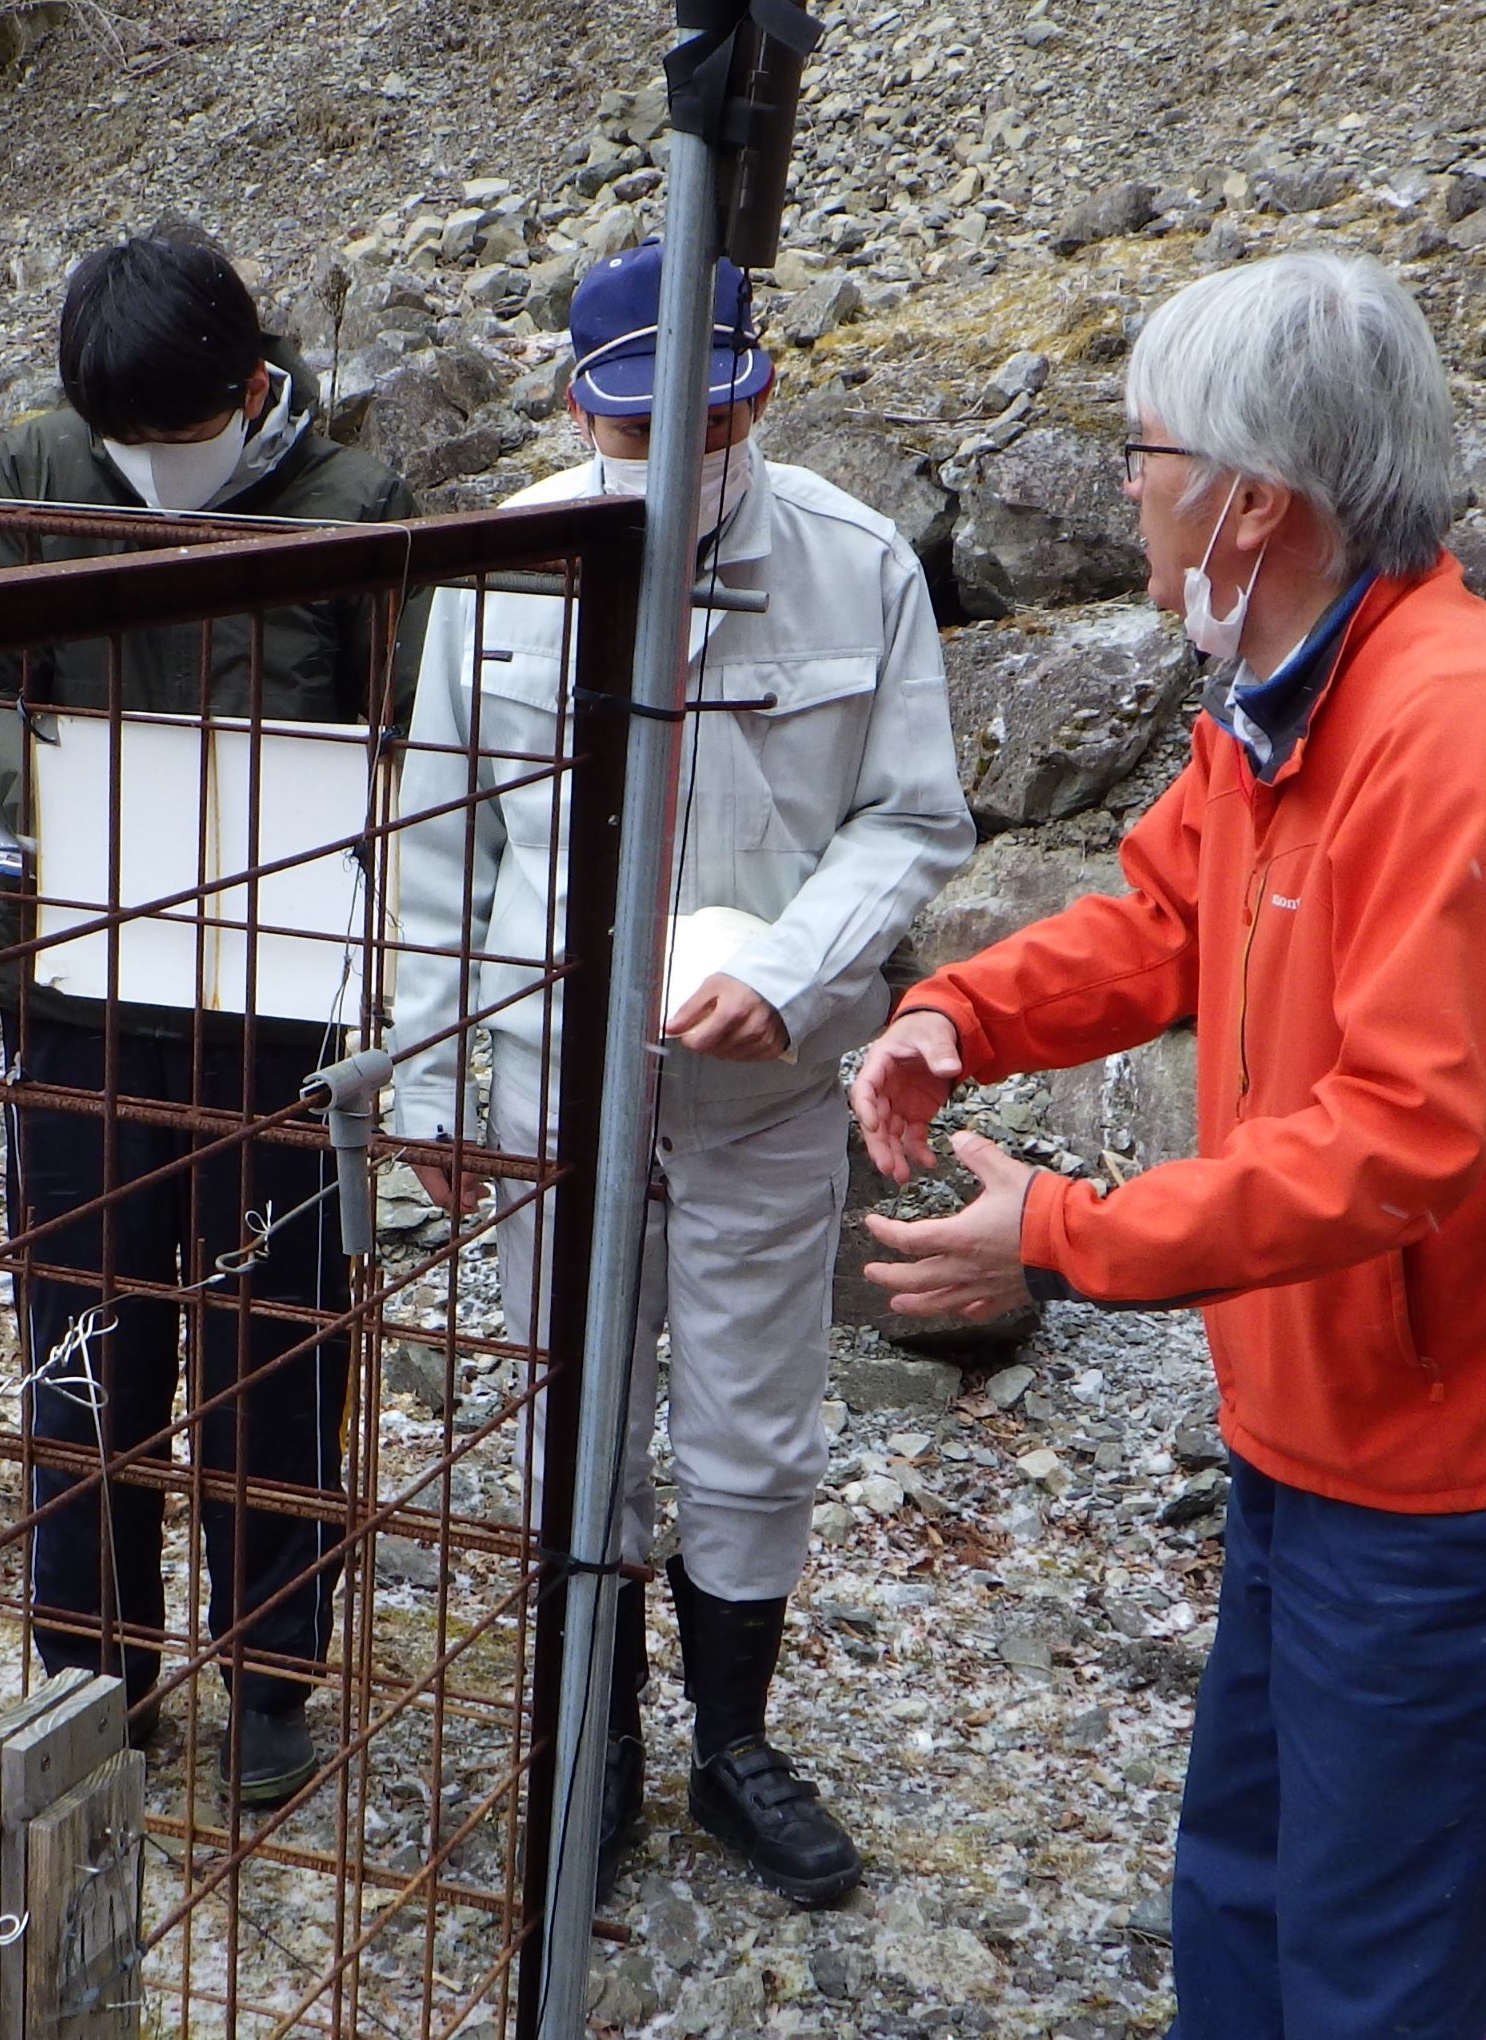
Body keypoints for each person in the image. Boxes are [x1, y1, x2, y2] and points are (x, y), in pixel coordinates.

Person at [852, 251, 1486, 2034]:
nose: (1124, 482)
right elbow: (1160, 917)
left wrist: (1063, 1233)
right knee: (1241, 1892)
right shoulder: (1291, 687)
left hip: (1463, 1471)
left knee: (1368, 1969)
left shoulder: (1456, 724)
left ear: (1250, 500)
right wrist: (954, 1013)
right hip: (1312, 1426)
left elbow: (1397, 1140)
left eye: (1142, 447)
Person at [389, 242, 972, 1907]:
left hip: (764, 1082)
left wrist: (788, 973)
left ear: (759, 391)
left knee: (751, 1417)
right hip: (544, 1077)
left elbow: (915, 813)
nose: (673, 456)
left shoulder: (856, 565)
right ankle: (597, 1740)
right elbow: (437, 842)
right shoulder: (496, 572)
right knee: (567, 1409)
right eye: (636, 426)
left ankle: (731, 1743)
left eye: (707, 417)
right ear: (579, 405)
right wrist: (428, 1082)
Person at [0, 232, 422, 1809]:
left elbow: (407, 748)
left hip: (273, 1019)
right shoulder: (30, 470)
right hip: (74, 992)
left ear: (251, 386)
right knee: (82, 1344)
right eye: (125, 447)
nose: (153, 470)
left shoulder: (352, 507)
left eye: (179, 437)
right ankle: (90, 1668)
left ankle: (272, 1673)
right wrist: (82, 805)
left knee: (272, 1349)